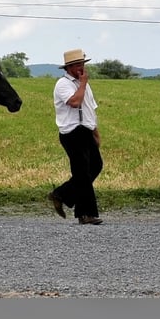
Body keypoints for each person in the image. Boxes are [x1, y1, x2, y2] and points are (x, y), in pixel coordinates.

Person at [48, 48, 104, 225]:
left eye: (82, 64)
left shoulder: (84, 85)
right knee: (82, 173)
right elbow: (74, 102)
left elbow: (89, 109)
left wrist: (95, 132)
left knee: (95, 166)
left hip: (85, 130)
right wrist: (83, 84)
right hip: (72, 132)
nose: (81, 67)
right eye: (77, 65)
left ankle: (61, 194)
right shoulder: (63, 84)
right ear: (69, 67)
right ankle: (86, 214)